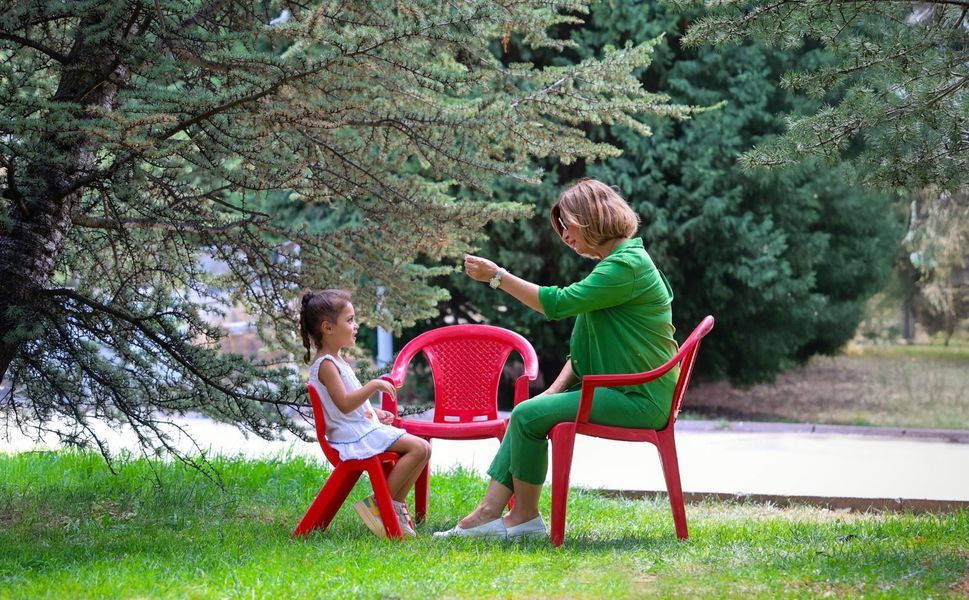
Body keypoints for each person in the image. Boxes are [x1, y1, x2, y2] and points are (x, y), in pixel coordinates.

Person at [434, 178, 679, 540]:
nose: (564, 235)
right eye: (561, 228)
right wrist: (553, 390)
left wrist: (498, 277)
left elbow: (558, 304)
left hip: (640, 398)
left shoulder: (625, 266)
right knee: (529, 411)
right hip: (628, 391)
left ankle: (524, 519)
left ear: (593, 217)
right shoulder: (619, 264)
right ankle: (487, 513)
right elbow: (581, 352)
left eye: (568, 224)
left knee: (526, 414)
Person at [299, 289, 432, 538]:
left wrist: (374, 412)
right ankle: (382, 505)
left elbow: (348, 405)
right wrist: (373, 386)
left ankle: (390, 505)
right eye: (349, 320)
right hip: (350, 436)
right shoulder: (326, 365)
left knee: (423, 447)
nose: (355, 325)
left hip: (359, 428)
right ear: (328, 328)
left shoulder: (336, 361)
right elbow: (345, 404)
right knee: (419, 448)